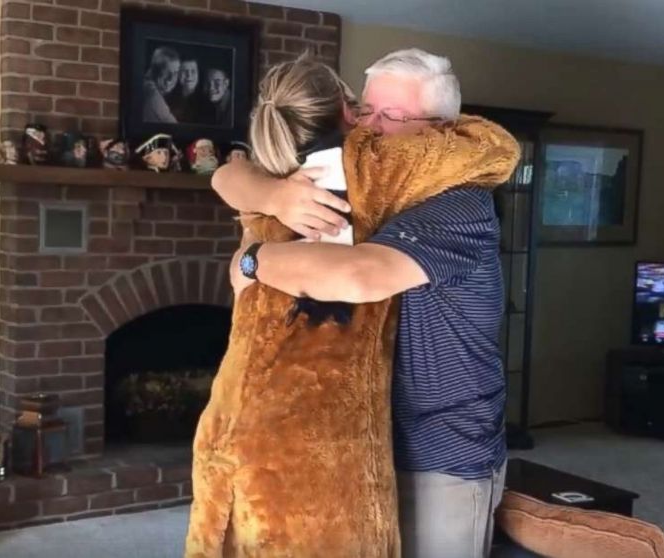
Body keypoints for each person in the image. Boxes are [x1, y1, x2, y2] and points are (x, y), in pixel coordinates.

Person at [185, 53, 518, 557]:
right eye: (366, 111)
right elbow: (230, 174)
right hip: (366, 443)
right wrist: (273, 194)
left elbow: (361, 276)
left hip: (440, 453)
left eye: (394, 117)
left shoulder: (458, 200)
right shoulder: (358, 184)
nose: (371, 129)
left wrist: (254, 260)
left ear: (443, 129)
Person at [143, 46, 180, 123]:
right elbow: (175, 128)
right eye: (167, 72)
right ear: (155, 70)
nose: (171, 78)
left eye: (176, 73)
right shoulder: (151, 93)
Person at [168, 58, 202, 123]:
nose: (189, 75)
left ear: (198, 74)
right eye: (184, 71)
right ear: (178, 74)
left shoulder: (206, 104)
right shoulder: (168, 100)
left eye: (193, 71)